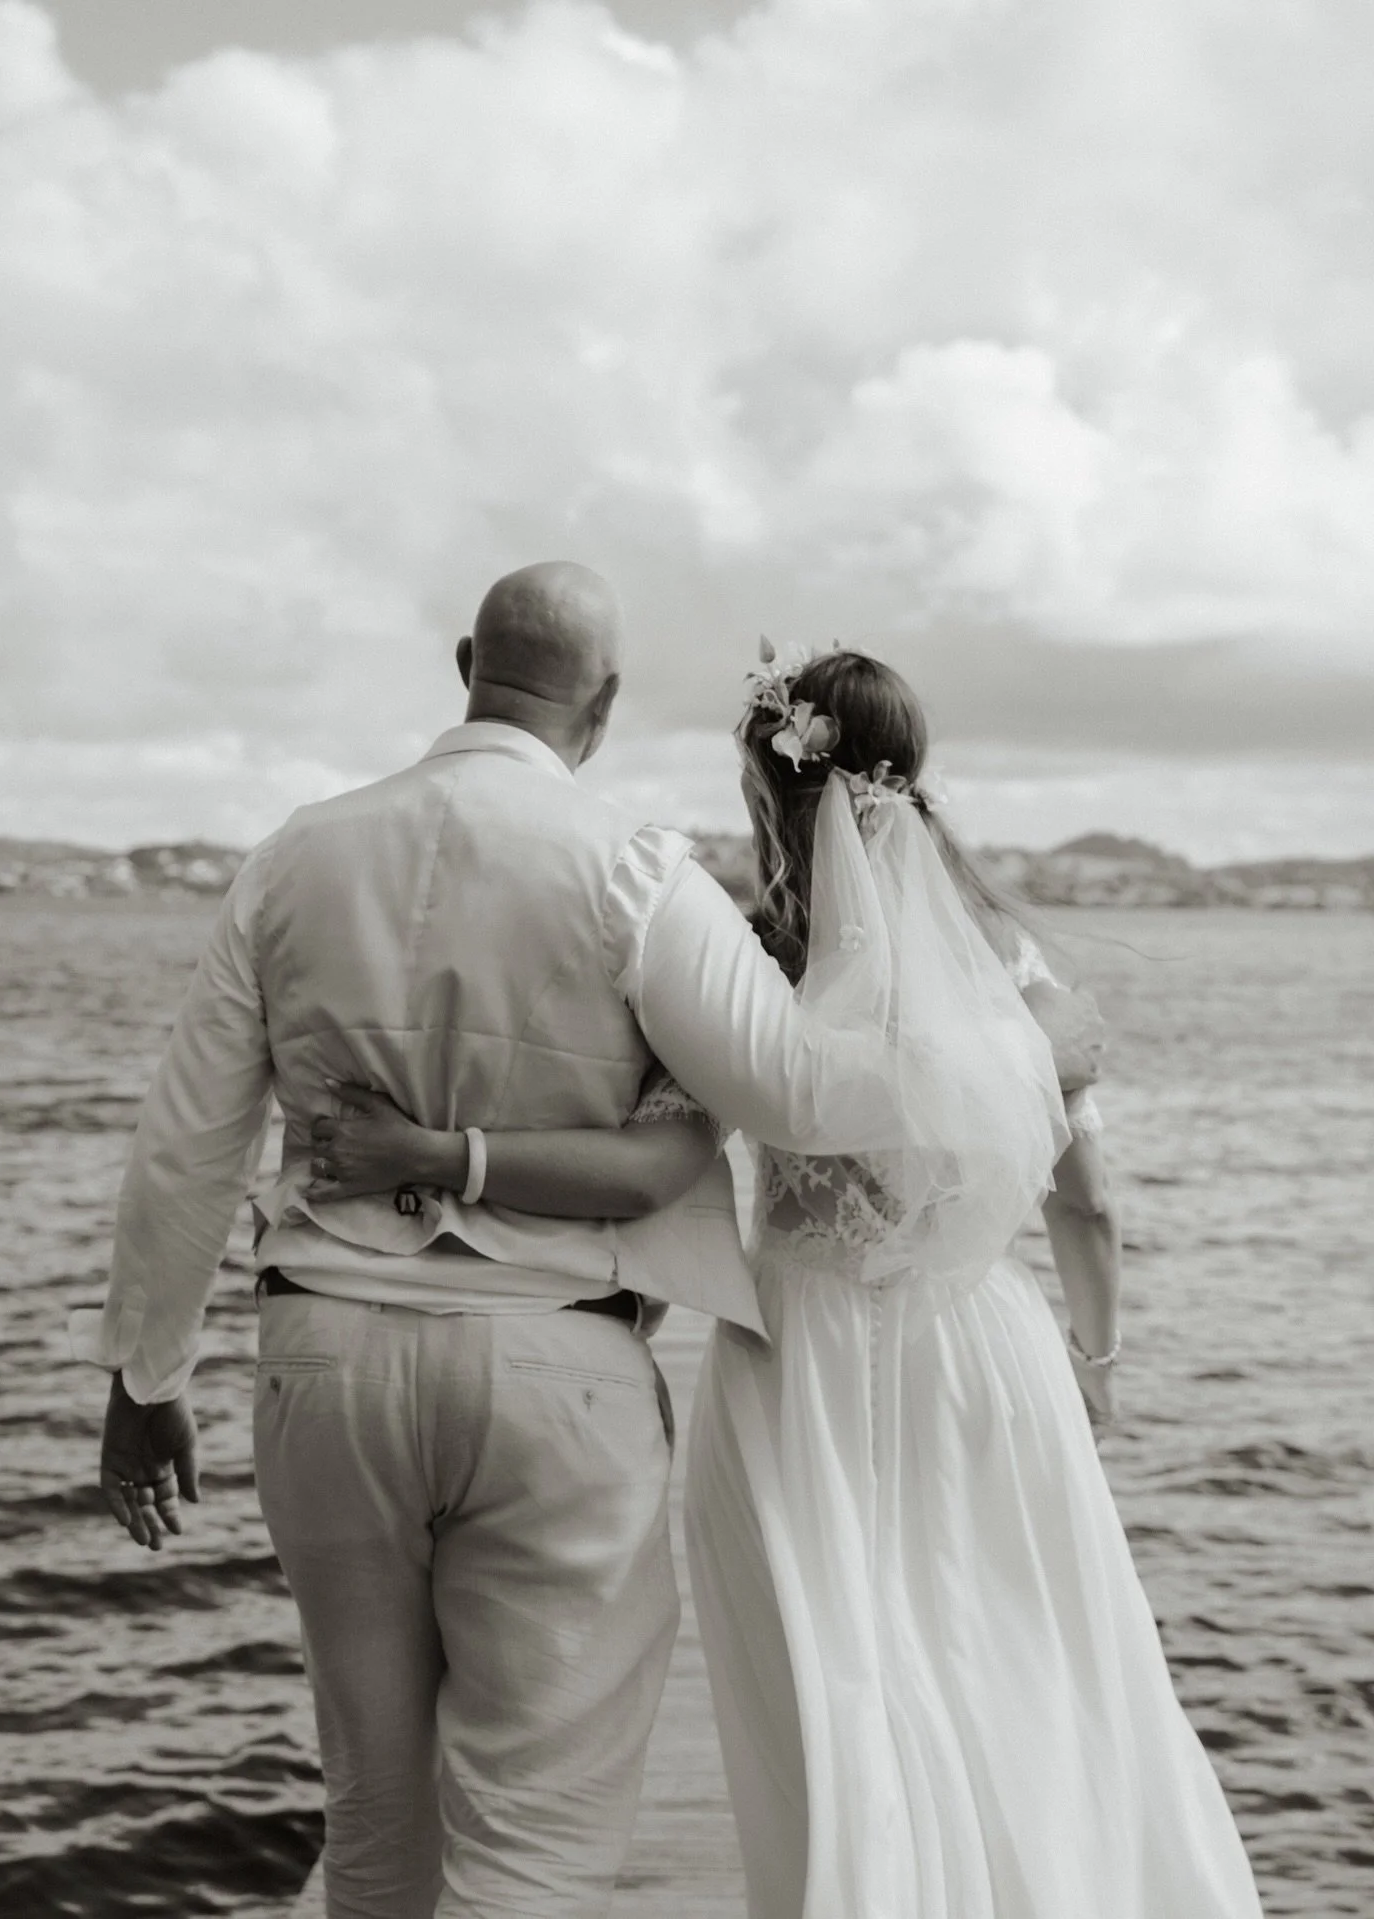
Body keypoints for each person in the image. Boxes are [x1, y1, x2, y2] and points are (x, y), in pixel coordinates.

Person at [71, 565, 1107, 1919]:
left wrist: (146, 1374)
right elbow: (796, 1087)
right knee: (538, 1840)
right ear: (605, 703)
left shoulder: (290, 856)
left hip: (320, 1362)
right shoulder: (636, 871)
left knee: (377, 1815)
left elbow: (186, 1142)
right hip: (555, 1376)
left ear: (464, 660)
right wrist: (1031, 1045)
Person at [316, 647, 1263, 1919]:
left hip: (800, 1352)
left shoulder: (747, 962)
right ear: (912, 771)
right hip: (983, 1346)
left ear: (770, 787)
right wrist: (1095, 1361)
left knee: (835, 1685)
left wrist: (441, 1161)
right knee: (1026, 1656)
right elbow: (1089, 1200)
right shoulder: (1010, 968)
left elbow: (651, 1167)